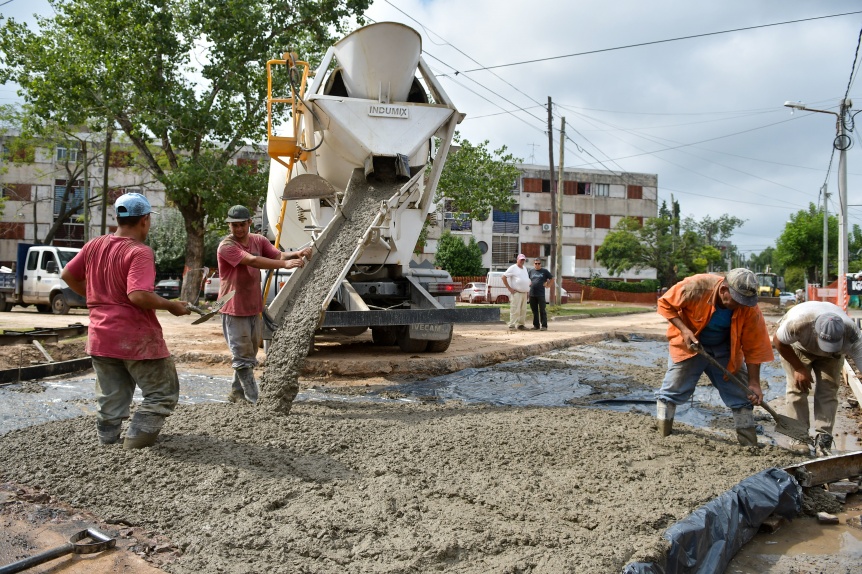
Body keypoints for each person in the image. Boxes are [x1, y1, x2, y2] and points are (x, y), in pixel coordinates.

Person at [61, 193, 191, 449]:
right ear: (144, 220)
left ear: (119, 218)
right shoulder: (139, 252)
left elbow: (67, 274)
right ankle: (134, 447)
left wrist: (94, 297)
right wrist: (171, 306)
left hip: (101, 336)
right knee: (162, 393)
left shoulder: (94, 245)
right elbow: (138, 295)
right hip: (135, 337)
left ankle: (108, 446)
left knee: (110, 398)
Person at [654, 269, 774, 446]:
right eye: (737, 300)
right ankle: (663, 432)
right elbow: (665, 304)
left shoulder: (749, 309)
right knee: (674, 387)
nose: (740, 305)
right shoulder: (696, 286)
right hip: (692, 344)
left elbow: (755, 347)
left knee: (741, 394)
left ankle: (749, 443)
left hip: (724, 349)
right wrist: (685, 330)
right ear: (724, 288)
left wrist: (754, 382)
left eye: (744, 301)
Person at [217, 205, 312, 404]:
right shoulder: (227, 247)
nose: (238, 229)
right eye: (234, 226)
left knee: (248, 354)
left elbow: (277, 255)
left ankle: (236, 392)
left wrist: (296, 254)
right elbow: (252, 261)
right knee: (242, 356)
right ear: (229, 226)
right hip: (234, 308)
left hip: (253, 306)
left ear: (249, 223)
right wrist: (284, 265)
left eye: (242, 224)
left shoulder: (258, 240)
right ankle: (254, 398)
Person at [773, 301, 862, 456]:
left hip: (833, 357)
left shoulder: (852, 334)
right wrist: (799, 368)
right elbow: (778, 342)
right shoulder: (798, 323)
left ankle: (823, 439)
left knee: (829, 390)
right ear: (815, 331)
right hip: (798, 348)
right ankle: (798, 437)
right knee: (797, 389)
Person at [502, 253, 530, 330]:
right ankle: (512, 325)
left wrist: (527, 290)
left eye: (523, 260)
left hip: (524, 293)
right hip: (516, 292)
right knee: (515, 309)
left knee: (523, 310)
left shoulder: (524, 268)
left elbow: (525, 280)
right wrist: (509, 288)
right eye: (521, 260)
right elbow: (503, 277)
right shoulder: (513, 268)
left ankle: (521, 325)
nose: (522, 261)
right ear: (517, 260)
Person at [528, 258, 553, 330]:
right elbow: (527, 279)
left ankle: (544, 326)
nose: (537, 265)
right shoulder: (531, 271)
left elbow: (551, 279)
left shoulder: (544, 271)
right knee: (534, 310)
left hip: (541, 294)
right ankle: (536, 325)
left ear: (541, 264)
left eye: (539, 263)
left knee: (542, 310)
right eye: (536, 263)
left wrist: (548, 285)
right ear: (534, 264)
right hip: (532, 293)